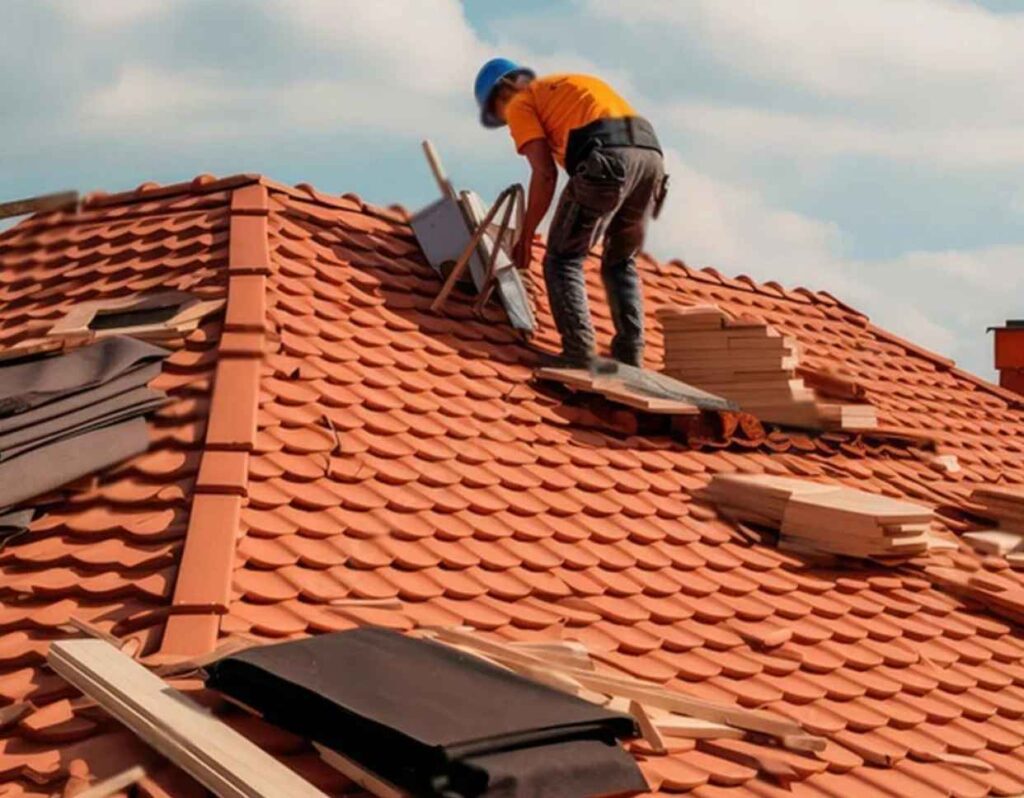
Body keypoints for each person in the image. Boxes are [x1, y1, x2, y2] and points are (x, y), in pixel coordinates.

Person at [474, 57, 667, 370]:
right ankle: (630, 354)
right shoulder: (565, 85)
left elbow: (545, 173)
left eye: (496, 114)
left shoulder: (520, 103)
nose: (505, 121)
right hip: (650, 158)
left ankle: (578, 350)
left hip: (609, 155)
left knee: (563, 257)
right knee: (620, 260)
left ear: (501, 93)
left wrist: (525, 236)